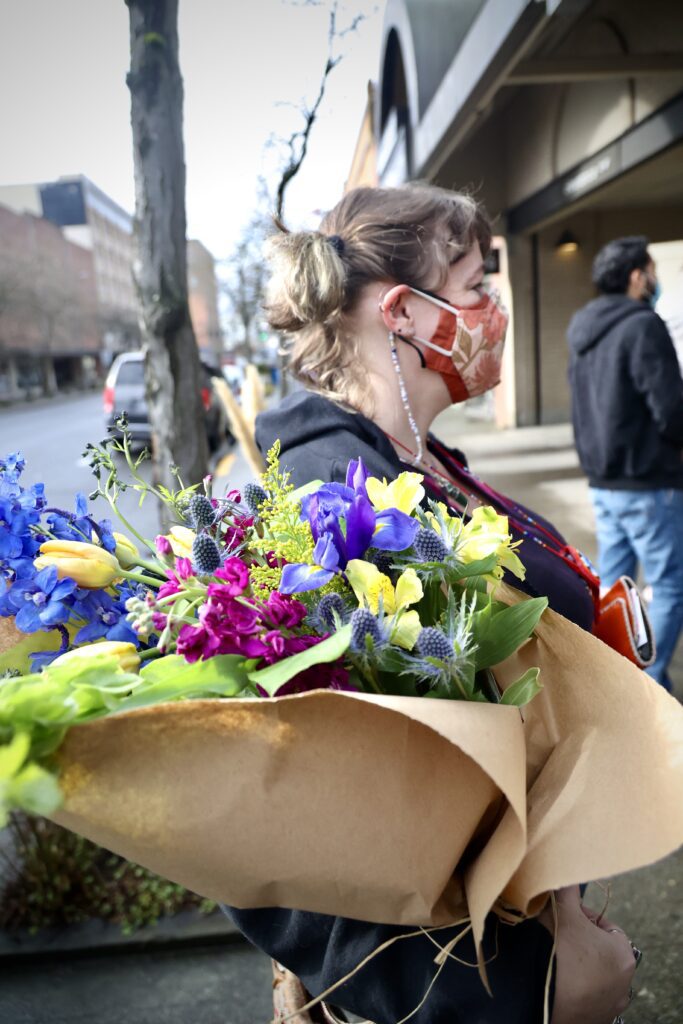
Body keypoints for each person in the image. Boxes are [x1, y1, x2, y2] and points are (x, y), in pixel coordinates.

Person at [224, 184, 637, 1023]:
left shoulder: (420, 458)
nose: (494, 312)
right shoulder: (320, 497)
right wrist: (517, 993)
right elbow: (269, 819)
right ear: (407, 314)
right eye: (479, 286)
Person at [567, 236, 683, 692]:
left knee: (615, 587)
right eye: (651, 271)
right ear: (637, 276)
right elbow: (672, 409)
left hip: (603, 482)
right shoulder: (642, 325)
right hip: (649, 481)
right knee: (670, 586)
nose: (654, 280)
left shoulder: (581, 327)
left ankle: (616, 681)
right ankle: (650, 686)